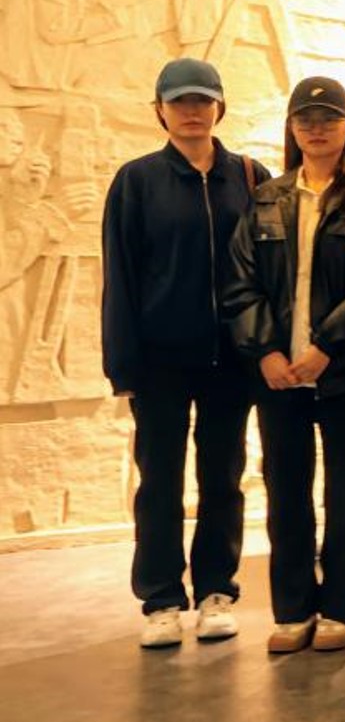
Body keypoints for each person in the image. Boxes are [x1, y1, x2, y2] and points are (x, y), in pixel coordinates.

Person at [223, 76, 345, 654]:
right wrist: (266, 352)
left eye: (328, 119)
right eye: (306, 119)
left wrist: (327, 347)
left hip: (344, 373)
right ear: (293, 128)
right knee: (286, 495)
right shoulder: (266, 198)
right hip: (280, 377)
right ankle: (293, 610)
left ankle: (342, 611)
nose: (316, 129)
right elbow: (240, 283)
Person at [101, 57, 269, 649]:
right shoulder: (137, 180)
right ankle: (162, 600)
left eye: (202, 100)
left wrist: (264, 346)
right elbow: (120, 275)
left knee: (223, 477)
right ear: (160, 110)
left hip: (231, 358)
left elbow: (269, 271)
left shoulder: (249, 175)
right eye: (179, 102)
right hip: (160, 361)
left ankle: (218, 590)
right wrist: (122, 363)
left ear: (219, 107)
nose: (192, 111)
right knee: (159, 482)